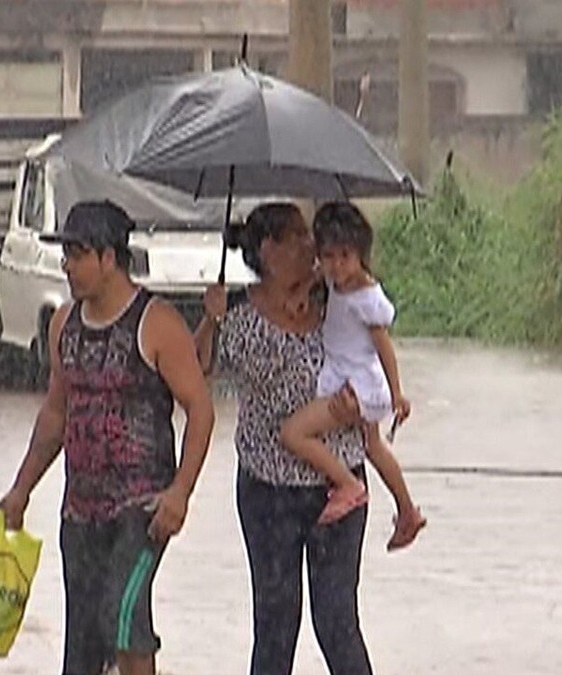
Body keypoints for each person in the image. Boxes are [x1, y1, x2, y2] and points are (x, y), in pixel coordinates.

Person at [0, 200, 216, 675]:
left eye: (78, 255)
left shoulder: (157, 324)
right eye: (66, 255)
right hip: (80, 509)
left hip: (143, 508)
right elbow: (55, 414)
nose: (68, 266)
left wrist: (180, 492)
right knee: (83, 642)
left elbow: (200, 409)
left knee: (122, 613)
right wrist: (21, 490)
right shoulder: (63, 325)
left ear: (109, 259)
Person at [194, 202, 373, 675]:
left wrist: (366, 400)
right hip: (268, 491)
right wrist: (209, 318)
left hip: (339, 489)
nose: (310, 246)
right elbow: (195, 374)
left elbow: (376, 348)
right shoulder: (234, 312)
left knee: (336, 620)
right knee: (276, 622)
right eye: (297, 237)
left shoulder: (338, 300)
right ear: (268, 250)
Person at [279, 201, 426, 550]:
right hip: (352, 375)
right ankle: (407, 510)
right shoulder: (335, 281)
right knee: (373, 447)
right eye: (328, 256)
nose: (335, 265)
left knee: (293, 433)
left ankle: (347, 484)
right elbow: (319, 276)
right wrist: (302, 290)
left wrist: (397, 394)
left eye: (345, 256)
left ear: (361, 254)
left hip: (357, 384)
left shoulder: (366, 298)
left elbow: (384, 347)